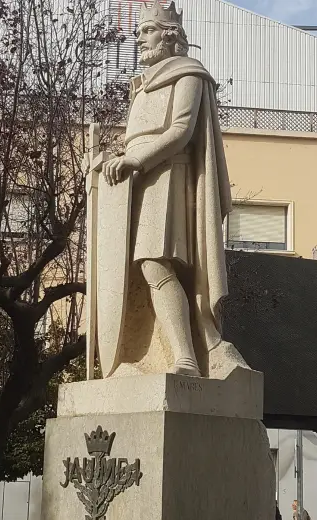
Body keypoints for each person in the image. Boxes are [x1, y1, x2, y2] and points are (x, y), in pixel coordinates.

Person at [92, 1, 248, 379]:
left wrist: (135, 160)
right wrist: (109, 157)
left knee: (155, 264)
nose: (139, 39)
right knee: (145, 271)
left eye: (146, 30)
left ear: (170, 33)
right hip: (138, 186)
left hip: (169, 180)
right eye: (139, 32)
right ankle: (161, 355)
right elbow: (136, 139)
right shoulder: (140, 88)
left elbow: (180, 131)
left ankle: (186, 359)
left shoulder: (189, 75)